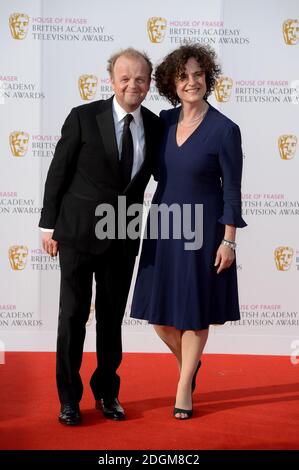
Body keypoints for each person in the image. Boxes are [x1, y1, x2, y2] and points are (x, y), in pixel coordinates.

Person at [39, 48, 163, 425]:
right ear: (111, 80)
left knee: (111, 321)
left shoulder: (156, 127)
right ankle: (69, 400)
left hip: (123, 235)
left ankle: (108, 394)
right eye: (125, 77)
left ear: (148, 84)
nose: (132, 84)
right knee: (72, 318)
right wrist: (48, 225)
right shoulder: (83, 117)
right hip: (76, 234)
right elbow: (58, 172)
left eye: (140, 78)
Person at [130, 44, 246, 420]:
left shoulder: (225, 130)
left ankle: (183, 389)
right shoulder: (162, 121)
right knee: (161, 318)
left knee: (194, 313)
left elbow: (231, 189)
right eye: (184, 76)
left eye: (198, 75)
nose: (192, 81)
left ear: (207, 78)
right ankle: (190, 366)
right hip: (164, 225)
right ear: (171, 83)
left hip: (203, 230)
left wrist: (229, 239)